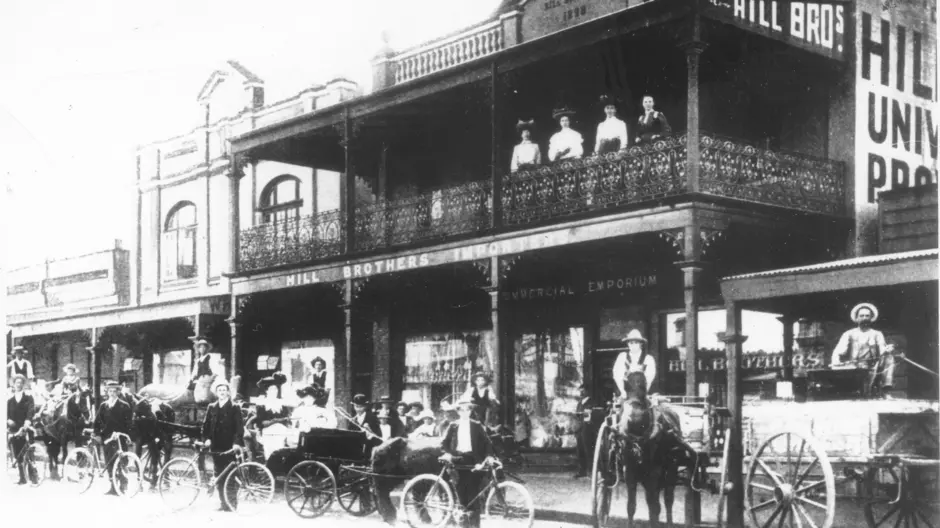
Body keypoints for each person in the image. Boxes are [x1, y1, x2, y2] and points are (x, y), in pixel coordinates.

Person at [440, 395, 497, 528]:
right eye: (462, 410)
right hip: (457, 461)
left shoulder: (476, 425)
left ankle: (475, 525)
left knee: (473, 495)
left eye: (468, 410)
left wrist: (488, 456)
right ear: (458, 411)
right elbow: (444, 444)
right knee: (460, 493)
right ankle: (463, 524)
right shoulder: (453, 425)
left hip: (473, 461)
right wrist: (448, 454)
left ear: (471, 411)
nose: (465, 412)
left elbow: (487, 443)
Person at [831, 303, 896, 396]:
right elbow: (838, 352)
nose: (864, 318)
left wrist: (887, 350)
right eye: (861, 316)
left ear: (871, 318)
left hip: (873, 367)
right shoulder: (849, 334)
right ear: (856, 318)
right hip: (854, 366)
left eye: (867, 316)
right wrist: (835, 364)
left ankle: (886, 391)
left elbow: (882, 350)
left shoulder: (877, 334)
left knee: (889, 357)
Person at [202, 381, 244, 512]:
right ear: (216, 392)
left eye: (224, 390)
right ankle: (222, 503)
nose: (222, 392)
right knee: (218, 474)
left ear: (228, 392)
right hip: (216, 445)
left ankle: (231, 504)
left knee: (230, 474)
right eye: (219, 390)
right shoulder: (212, 407)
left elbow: (239, 427)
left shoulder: (235, 407)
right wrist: (207, 439)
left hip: (229, 445)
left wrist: (237, 442)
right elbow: (206, 425)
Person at [93, 381, 133, 495]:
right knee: (109, 462)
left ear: (118, 392)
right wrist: (97, 434)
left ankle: (123, 484)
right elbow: (97, 421)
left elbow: (129, 424)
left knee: (121, 461)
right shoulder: (104, 405)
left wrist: (122, 433)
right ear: (107, 392)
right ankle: (112, 486)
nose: (112, 393)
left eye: (114, 391)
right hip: (107, 438)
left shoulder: (124, 406)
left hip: (119, 438)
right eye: (110, 391)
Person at [251, 373, 290, 458]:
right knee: (271, 446)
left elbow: (286, 419)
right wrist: (276, 421)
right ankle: (270, 461)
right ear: (267, 391)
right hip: (267, 431)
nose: (274, 391)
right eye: (271, 389)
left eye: (275, 389)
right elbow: (261, 423)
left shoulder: (281, 404)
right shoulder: (262, 404)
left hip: (281, 431)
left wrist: (285, 422)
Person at [7, 374, 37, 485]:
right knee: (18, 454)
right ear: (13, 385)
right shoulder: (10, 401)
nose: (18, 385)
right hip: (15, 429)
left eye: (20, 383)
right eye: (16, 383)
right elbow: (6, 414)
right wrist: (8, 420)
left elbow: (31, 411)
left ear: (23, 385)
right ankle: (22, 478)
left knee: (28, 453)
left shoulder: (28, 398)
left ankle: (34, 477)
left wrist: (27, 422)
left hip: (26, 427)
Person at [612, 329, 657, 397]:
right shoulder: (622, 357)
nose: (633, 345)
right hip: (626, 393)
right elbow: (617, 376)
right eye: (631, 343)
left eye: (636, 343)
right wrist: (623, 392)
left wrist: (643, 394)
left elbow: (649, 379)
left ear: (640, 344)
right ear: (628, 344)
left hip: (642, 393)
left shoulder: (648, 359)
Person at [573, 384, 595, 479]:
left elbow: (590, 415)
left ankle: (590, 471)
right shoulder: (580, 402)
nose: (581, 393)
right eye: (580, 391)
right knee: (580, 450)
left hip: (587, 429)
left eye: (583, 391)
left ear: (587, 391)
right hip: (579, 428)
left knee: (588, 450)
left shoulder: (591, 402)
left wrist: (583, 414)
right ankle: (582, 470)